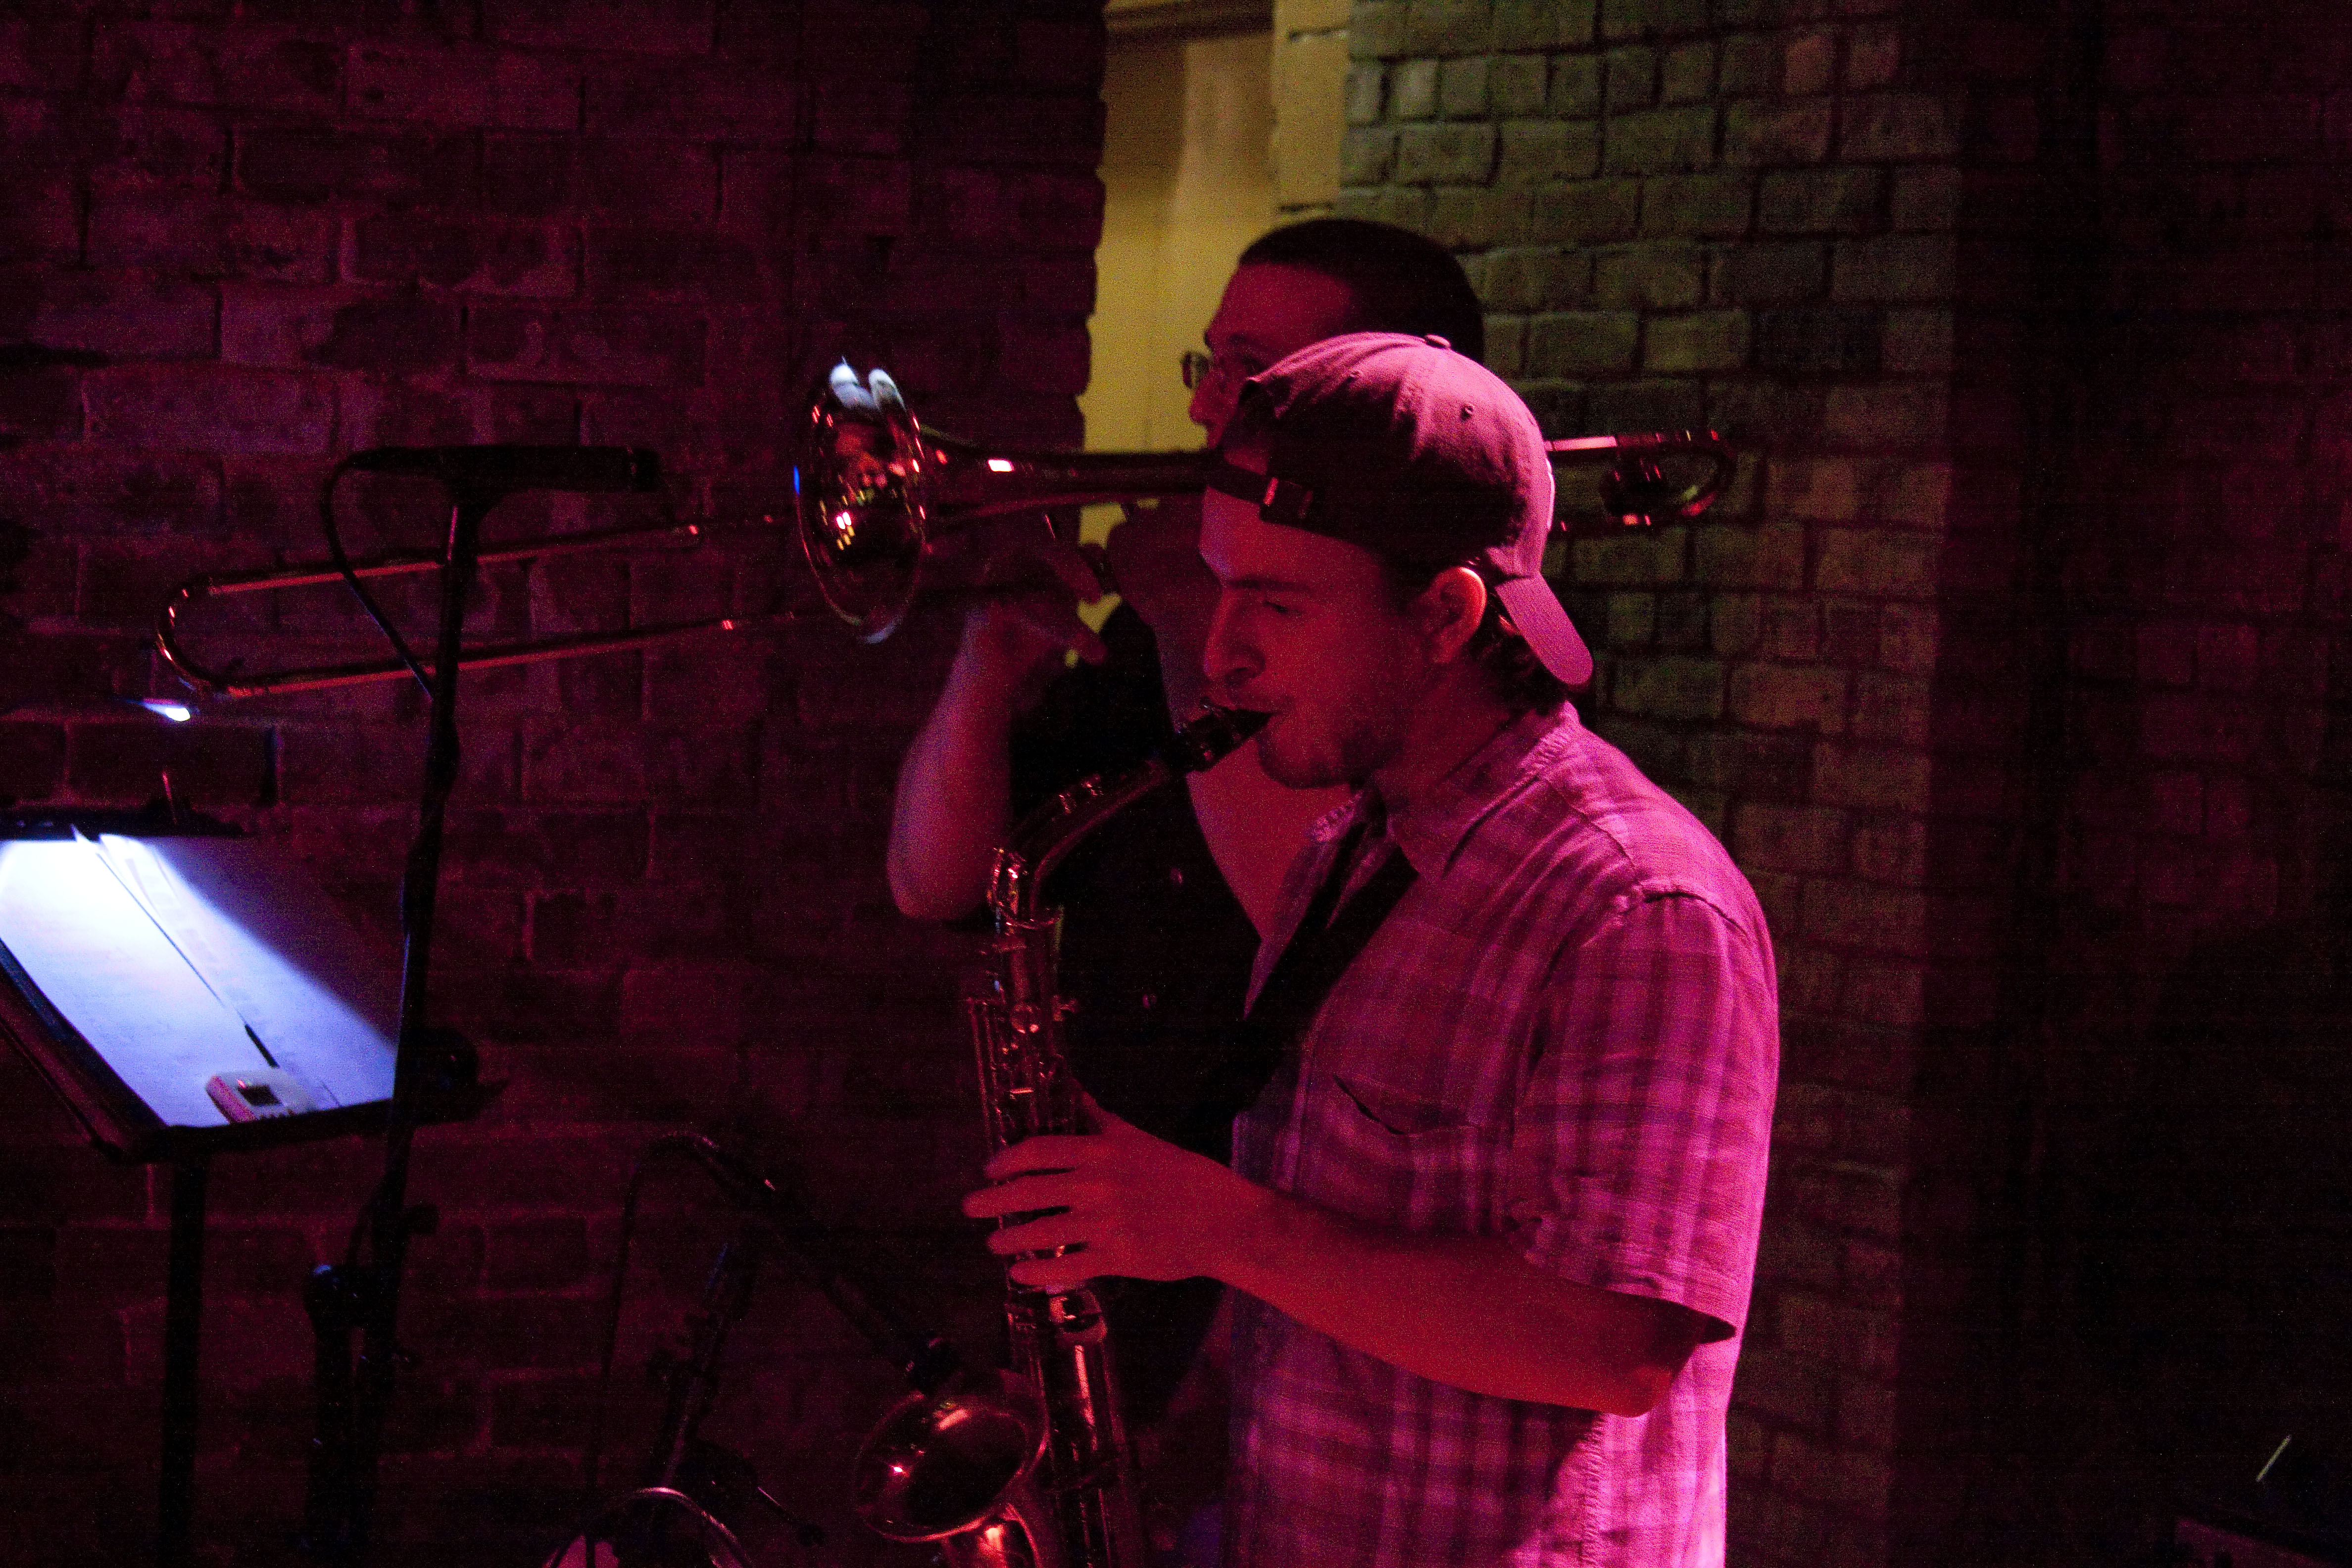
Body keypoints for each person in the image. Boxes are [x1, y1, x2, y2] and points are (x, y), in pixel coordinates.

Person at [964, 333, 1779, 1566]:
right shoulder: (1348, 849)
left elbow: (1614, 1347)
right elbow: (1312, 1265)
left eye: (1278, 605)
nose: (1224, 653)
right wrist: (1151, 1466)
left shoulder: (1640, 906)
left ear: (1445, 614)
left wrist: (1222, 1227)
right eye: (1221, 587)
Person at [886, 222, 1487, 1435]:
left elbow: (1318, 928)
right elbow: (931, 883)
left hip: (1297, 1281)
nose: (1210, 404)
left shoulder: (1411, 655)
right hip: (1116, 1253)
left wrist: (1186, 622)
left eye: (1251, 371)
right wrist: (985, 665)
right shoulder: (1158, 629)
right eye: (1209, 363)